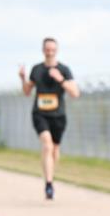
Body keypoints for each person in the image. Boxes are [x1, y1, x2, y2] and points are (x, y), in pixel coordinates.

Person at [19, 37, 79, 200]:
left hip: (58, 115)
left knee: (55, 149)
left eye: (53, 49)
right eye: (47, 49)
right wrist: (22, 78)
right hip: (40, 113)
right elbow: (26, 92)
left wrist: (60, 79)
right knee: (47, 144)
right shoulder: (36, 69)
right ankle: (49, 183)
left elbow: (75, 93)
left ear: (56, 50)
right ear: (43, 50)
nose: (50, 52)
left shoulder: (64, 70)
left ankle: (50, 174)